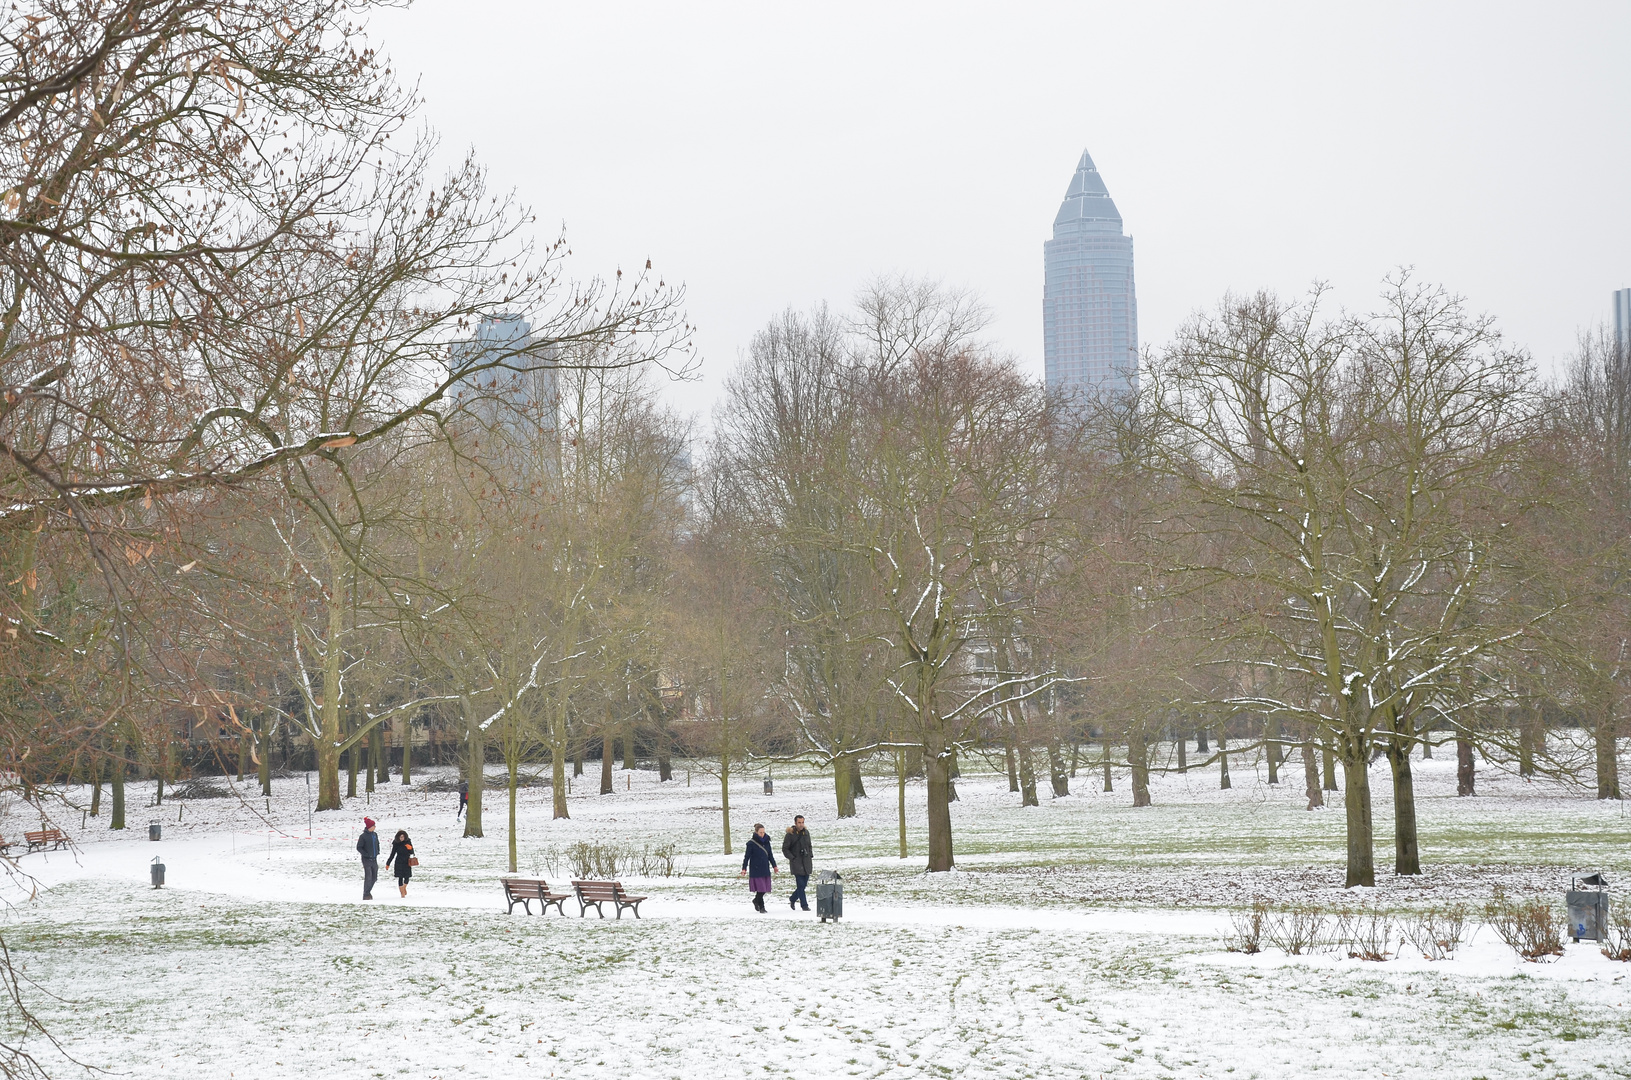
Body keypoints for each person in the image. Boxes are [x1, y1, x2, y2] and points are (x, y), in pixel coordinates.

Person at [738, 822, 777, 913]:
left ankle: (756, 900)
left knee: (765, 889)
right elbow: (746, 857)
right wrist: (744, 868)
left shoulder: (767, 842)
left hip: (765, 868)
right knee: (761, 888)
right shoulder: (751, 844)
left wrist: (774, 866)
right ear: (756, 832)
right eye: (760, 832)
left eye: (763, 832)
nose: (762, 834)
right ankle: (762, 907)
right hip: (756, 868)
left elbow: (770, 855)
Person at [782, 815, 813, 911]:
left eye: (802, 822)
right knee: (800, 885)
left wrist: (810, 855)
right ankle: (804, 905)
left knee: (803, 885)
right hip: (797, 863)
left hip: (806, 863)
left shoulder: (806, 833)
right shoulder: (790, 835)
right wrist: (793, 858)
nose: (801, 824)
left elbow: (809, 845)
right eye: (799, 822)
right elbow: (785, 849)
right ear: (795, 823)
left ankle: (793, 898)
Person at [386, 829, 415, 899]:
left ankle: (404, 887)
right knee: (400, 877)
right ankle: (402, 893)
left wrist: (410, 848)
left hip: (407, 862)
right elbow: (392, 854)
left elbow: (412, 853)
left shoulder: (408, 842)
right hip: (399, 862)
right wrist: (388, 863)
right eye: (400, 837)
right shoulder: (396, 843)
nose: (402, 838)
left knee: (407, 877)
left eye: (403, 837)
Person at [355, 817, 379, 900]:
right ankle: (366, 894)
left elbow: (377, 844)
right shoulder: (363, 836)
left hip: (374, 858)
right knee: (368, 877)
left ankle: (368, 891)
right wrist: (366, 854)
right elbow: (359, 847)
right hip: (366, 859)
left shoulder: (375, 835)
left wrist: (377, 851)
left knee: (374, 877)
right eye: (373, 825)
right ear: (369, 827)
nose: (375, 827)